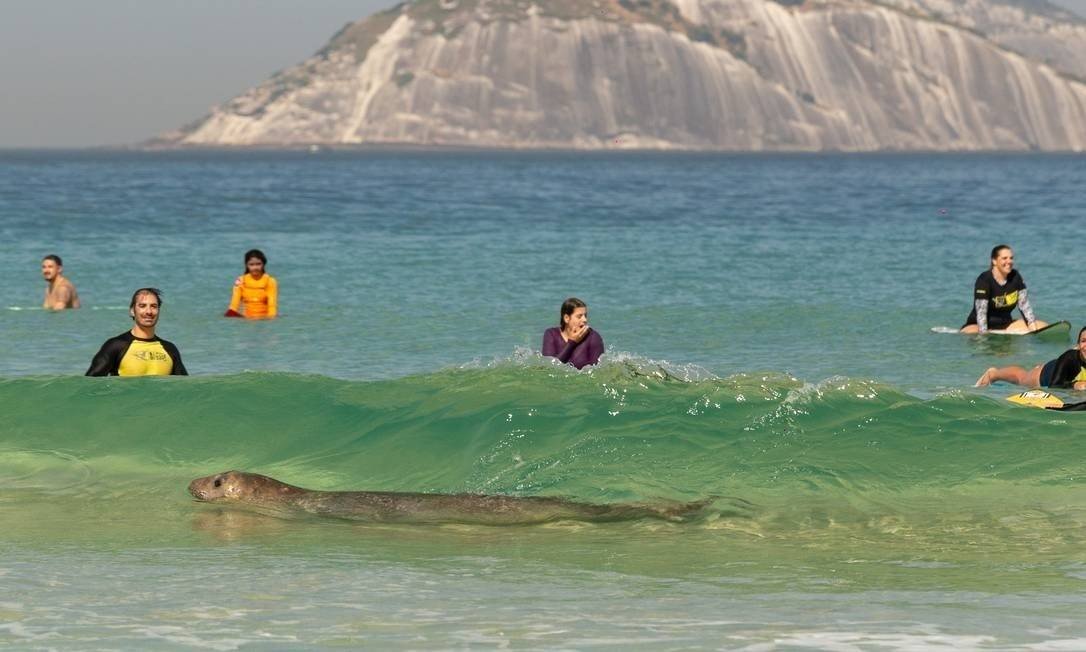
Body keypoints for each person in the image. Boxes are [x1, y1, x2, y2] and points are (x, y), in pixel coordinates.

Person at [86, 288, 188, 376]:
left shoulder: (170, 349)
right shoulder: (116, 346)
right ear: (132, 311)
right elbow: (89, 385)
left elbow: (185, 389)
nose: (149, 311)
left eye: (153, 306)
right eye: (142, 306)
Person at [960, 245, 1048, 334]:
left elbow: (1024, 306)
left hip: (1005, 324)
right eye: (1004, 258)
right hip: (977, 325)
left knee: (1042, 326)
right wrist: (984, 337)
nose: (1009, 261)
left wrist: (1033, 329)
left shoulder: (1015, 277)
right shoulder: (984, 280)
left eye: (1011, 258)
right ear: (994, 261)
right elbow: (981, 312)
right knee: (973, 333)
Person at [976, 326, 1086, 388]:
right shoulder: (1069, 358)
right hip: (1045, 376)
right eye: (1083, 341)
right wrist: (1075, 385)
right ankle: (994, 373)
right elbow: (1054, 386)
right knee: (1021, 378)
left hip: (1059, 370)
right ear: (1077, 345)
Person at [542, 297, 605, 369]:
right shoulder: (551, 334)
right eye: (579, 316)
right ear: (566, 318)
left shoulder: (593, 337)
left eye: (585, 315)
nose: (585, 320)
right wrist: (572, 343)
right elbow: (548, 368)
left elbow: (597, 371)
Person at [225, 249, 278, 319]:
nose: (255, 267)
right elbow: (234, 304)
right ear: (247, 265)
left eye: (258, 264)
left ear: (263, 264)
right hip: (245, 320)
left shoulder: (270, 281)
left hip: (263, 319)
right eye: (251, 264)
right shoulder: (241, 280)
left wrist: (271, 319)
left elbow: (272, 306)